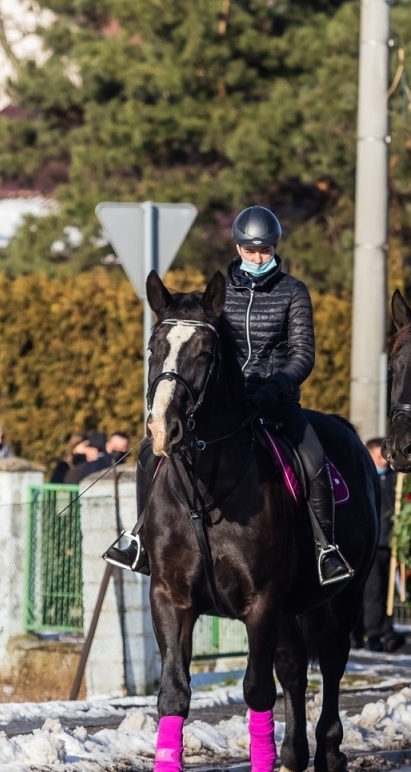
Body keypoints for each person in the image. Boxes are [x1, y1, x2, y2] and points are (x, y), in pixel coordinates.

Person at [105, 205, 353, 584]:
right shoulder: (219, 294)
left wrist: (276, 386)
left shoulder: (293, 292)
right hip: (225, 400)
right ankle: (140, 538)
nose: (258, 258)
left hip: (275, 398)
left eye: (265, 250)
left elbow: (303, 353)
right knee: (146, 453)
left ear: (275, 248)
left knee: (314, 458)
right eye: (251, 251)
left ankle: (325, 549)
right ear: (238, 248)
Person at [358, 437, 405, 652]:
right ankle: (373, 634)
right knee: (373, 591)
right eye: (378, 456)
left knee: (388, 592)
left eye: (385, 456)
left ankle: (387, 630)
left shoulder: (395, 479)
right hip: (372, 543)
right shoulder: (364, 477)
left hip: (391, 542)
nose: (383, 461)